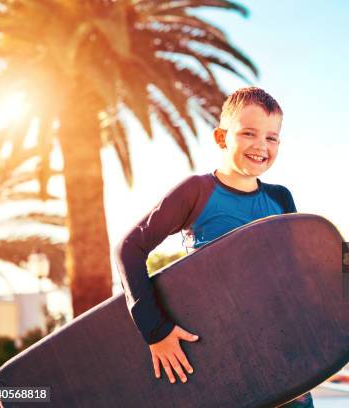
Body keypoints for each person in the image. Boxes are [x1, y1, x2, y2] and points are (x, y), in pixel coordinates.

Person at [114, 87, 314, 407]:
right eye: (249, 133)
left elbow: (291, 278)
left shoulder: (280, 198)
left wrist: (311, 358)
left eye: (272, 137)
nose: (261, 146)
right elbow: (129, 248)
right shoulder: (197, 192)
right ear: (221, 138)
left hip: (283, 361)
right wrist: (156, 331)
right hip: (221, 362)